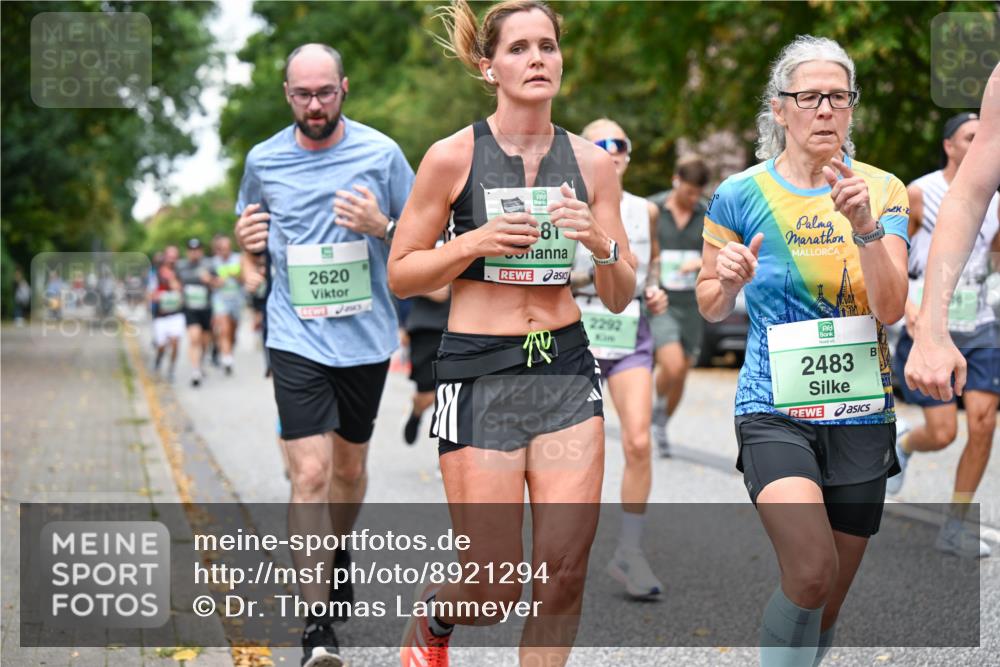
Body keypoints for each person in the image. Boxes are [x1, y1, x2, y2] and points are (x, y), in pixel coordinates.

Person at [388, 2, 636, 665]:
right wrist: (472, 241)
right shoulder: (451, 157)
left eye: (547, 46)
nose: (536, 59)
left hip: (564, 367)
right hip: (480, 374)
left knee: (563, 573)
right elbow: (403, 273)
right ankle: (437, 620)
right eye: (520, 48)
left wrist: (600, 242)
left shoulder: (591, 163)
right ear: (488, 64)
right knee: (493, 584)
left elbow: (620, 290)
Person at [696, 36, 909, 666]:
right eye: (810, 97)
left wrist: (865, 227)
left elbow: (892, 308)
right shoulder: (739, 193)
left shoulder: (882, 188)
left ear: (850, 110)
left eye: (838, 98)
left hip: (862, 412)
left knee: (829, 598)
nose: (825, 111)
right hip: (773, 408)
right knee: (811, 570)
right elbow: (709, 304)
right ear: (779, 109)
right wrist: (728, 280)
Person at [233, 42, 414, 667]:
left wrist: (381, 226)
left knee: (348, 472)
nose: (315, 105)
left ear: (345, 88)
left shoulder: (382, 154)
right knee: (309, 475)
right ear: (287, 93)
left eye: (326, 92)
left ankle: (338, 556)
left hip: (363, 338)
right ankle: (316, 628)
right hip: (294, 336)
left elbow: (422, 244)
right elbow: (250, 241)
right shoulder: (263, 160)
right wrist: (246, 245)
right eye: (303, 94)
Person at [887, 112, 999, 557]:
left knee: (984, 422)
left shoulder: (995, 197)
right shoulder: (919, 193)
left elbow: (994, 258)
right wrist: (910, 311)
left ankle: (954, 526)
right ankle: (907, 443)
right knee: (943, 433)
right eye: (970, 136)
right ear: (949, 145)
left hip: (980, 323)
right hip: (929, 324)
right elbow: (897, 258)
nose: (981, 142)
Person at [571, 117, 668, 598]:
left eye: (619, 144)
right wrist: (600, 276)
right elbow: (554, 278)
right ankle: (562, 549)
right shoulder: (565, 207)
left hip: (630, 333)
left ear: (628, 154)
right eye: (597, 145)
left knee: (638, 442)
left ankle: (630, 552)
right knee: (577, 453)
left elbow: (651, 271)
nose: (610, 151)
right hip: (579, 334)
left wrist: (653, 292)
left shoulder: (645, 211)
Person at [648, 155, 711, 457]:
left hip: (693, 303)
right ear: (676, 181)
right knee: (671, 365)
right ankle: (654, 411)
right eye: (688, 191)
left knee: (682, 372)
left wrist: (701, 261)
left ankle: (660, 422)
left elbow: (724, 247)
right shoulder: (653, 209)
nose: (692, 198)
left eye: (697, 193)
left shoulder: (708, 212)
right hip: (661, 301)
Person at [402, 281, 450, 445]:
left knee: (454, 396)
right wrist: (425, 286)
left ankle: (447, 455)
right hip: (427, 328)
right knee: (427, 396)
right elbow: (394, 280)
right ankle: (417, 410)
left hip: (462, 329)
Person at [176, 238, 215, 387]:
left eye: (197, 249)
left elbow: (219, 283)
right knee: (194, 338)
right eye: (191, 250)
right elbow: (175, 281)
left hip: (206, 309)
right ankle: (195, 371)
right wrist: (177, 288)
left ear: (201, 251)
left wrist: (210, 280)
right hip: (190, 308)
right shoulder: (181, 266)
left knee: (204, 342)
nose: (194, 253)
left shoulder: (209, 265)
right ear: (187, 252)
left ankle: (200, 362)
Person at [151, 245, 185, 381]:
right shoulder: (156, 274)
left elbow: (180, 290)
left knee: (175, 342)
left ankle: (171, 370)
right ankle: (158, 360)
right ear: (165, 257)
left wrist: (172, 279)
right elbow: (151, 295)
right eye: (170, 256)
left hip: (176, 314)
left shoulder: (180, 273)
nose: (172, 259)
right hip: (161, 315)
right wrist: (160, 296)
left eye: (174, 257)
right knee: (161, 345)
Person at [211, 234, 244, 375]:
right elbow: (210, 282)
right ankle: (227, 358)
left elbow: (244, 279)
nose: (225, 251)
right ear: (218, 249)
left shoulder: (239, 259)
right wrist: (217, 282)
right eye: (221, 248)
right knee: (224, 329)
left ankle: (227, 352)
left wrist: (235, 275)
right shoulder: (213, 262)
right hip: (220, 299)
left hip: (236, 300)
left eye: (227, 248)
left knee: (233, 332)